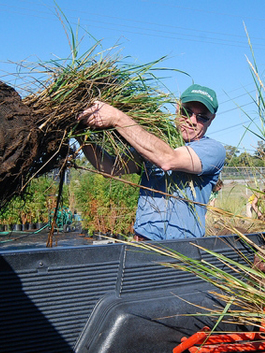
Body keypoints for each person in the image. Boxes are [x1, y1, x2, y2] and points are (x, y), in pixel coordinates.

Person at [78, 84, 226, 241]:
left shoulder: (213, 150)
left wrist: (117, 118)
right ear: (177, 108)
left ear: (211, 120)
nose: (192, 121)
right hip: (144, 243)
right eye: (186, 112)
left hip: (185, 247)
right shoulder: (153, 145)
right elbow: (110, 168)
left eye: (202, 117)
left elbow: (168, 159)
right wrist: (80, 134)